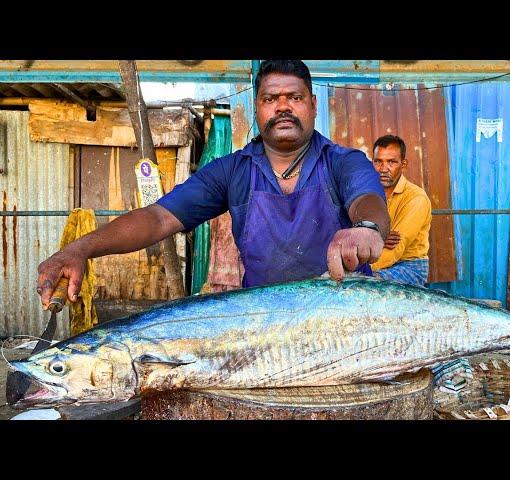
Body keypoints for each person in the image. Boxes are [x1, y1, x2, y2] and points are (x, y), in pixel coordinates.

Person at [36, 60, 390, 306]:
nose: (283, 107)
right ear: (257, 108)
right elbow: (159, 218)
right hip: (263, 318)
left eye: (294, 98)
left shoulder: (343, 162)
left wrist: (368, 228)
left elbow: (368, 201)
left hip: (345, 313)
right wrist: (79, 249)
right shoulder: (231, 172)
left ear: (312, 105)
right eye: (271, 99)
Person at [370, 135, 432, 287]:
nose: (383, 169)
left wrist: (362, 270)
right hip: (377, 260)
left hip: (410, 266)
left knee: (364, 284)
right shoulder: (368, 194)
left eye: (391, 162)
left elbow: (396, 248)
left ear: (403, 164)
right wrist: (381, 237)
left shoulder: (416, 198)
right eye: (378, 162)